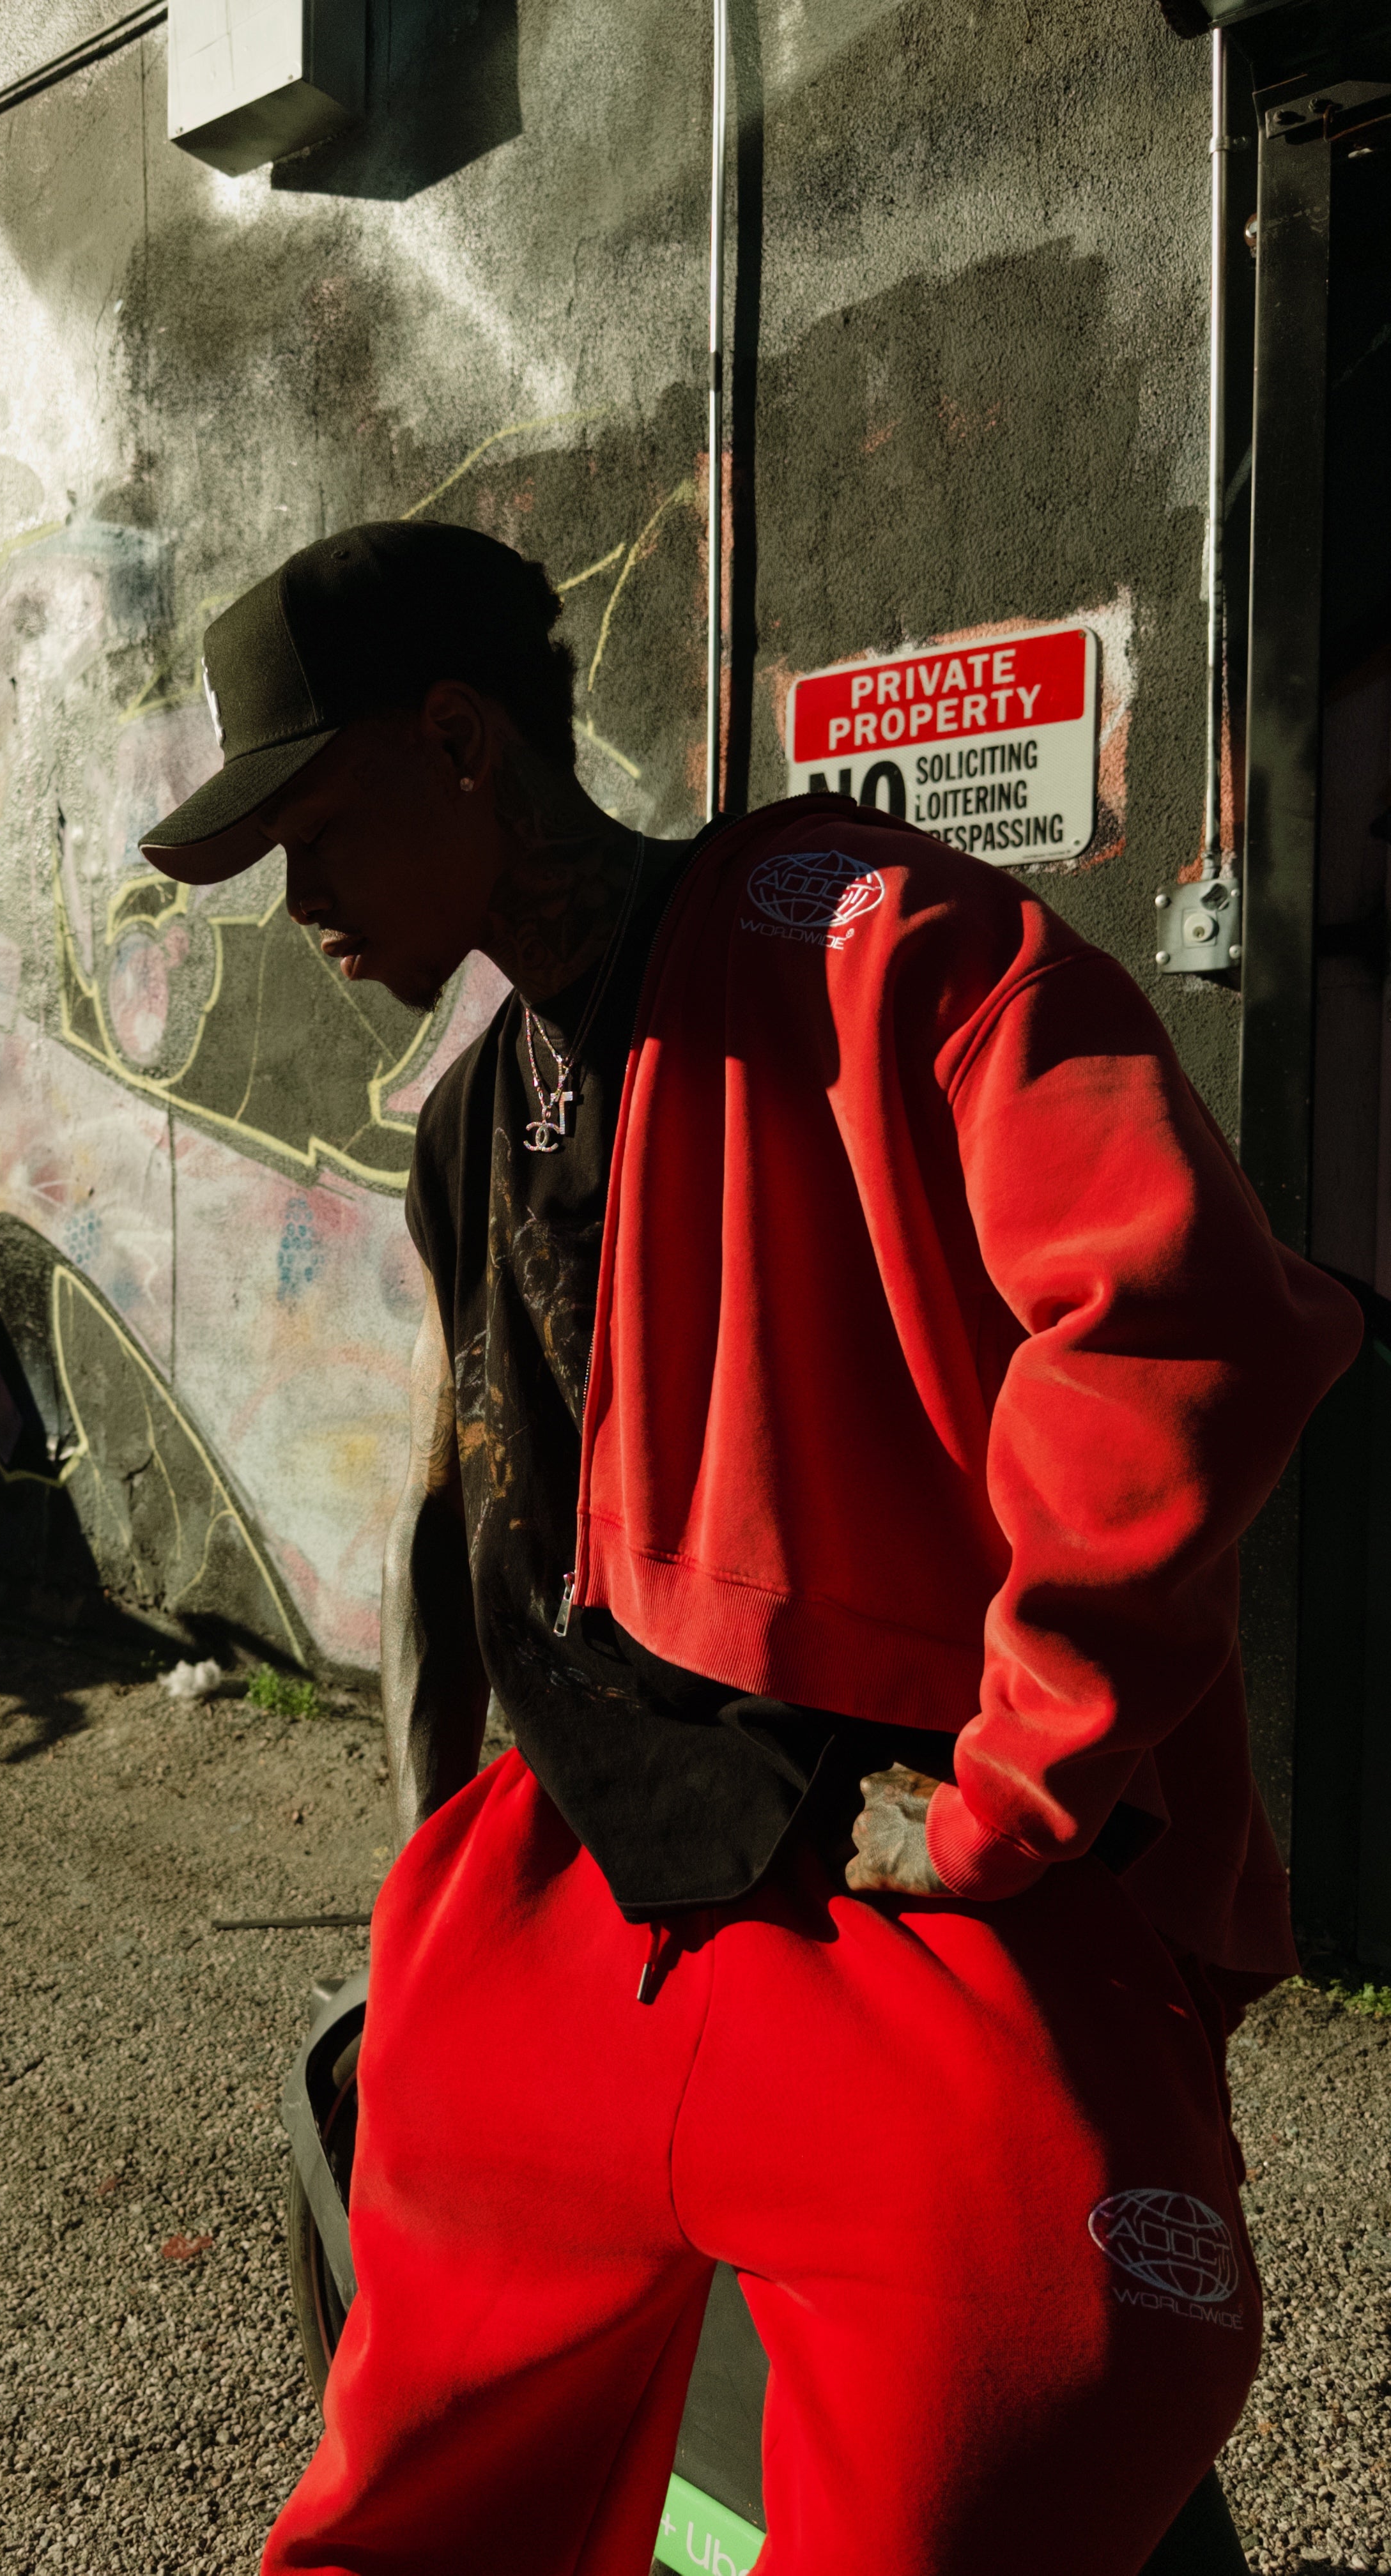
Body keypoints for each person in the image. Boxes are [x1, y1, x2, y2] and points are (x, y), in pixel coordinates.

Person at [139, 521, 1360, 2576]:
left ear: (460, 741)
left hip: (897, 1890)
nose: (300, 902)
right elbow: (490, 1527)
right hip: (596, 1899)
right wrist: (448, 1880)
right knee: (401, 2504)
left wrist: (1013, 1789)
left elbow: (1174, 1312)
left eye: (317, 825)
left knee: (1045, 2416)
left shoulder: (864, 939)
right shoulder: (474, 1118)